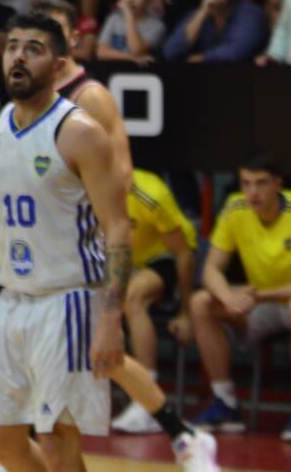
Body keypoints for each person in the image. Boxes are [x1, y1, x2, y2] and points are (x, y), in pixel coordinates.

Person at [29, 0, 217, 468]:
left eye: (54, 31)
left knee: (101, 353)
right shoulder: (33, 95)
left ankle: (182, 435)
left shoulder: (89, 96)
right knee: (73, 356)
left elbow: (123, 174)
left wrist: (84, 220)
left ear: (72, 39)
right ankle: (22, 450)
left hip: (83, 244)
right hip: (43, 244)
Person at [0, 16, 134, 472]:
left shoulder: (82, 133)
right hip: (11, 302)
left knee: (56, 442)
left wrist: (111, 318)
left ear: (58, 66)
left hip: (69, 301)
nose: (17, 55)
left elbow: (117, 226)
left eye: (32, 48)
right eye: (12, 46)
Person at [190, 155, 291, 440]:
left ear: (278, 184)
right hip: (263, 305)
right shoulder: (234, 207)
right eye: (246, 183)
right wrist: (229, 297)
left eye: (261, 183)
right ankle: (225, 402)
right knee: (201, 302)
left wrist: (258, 295)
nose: (253, 192)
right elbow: (211, 269)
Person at [110, 170, 198, 434]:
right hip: (117, 262)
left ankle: (146, 400)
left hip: (161, 259)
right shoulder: (86, 185)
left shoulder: (150, 193)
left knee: (131, 298)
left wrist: (185, 312)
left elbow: (183, 253)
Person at [96, 0, 166, 63]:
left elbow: (137, 51)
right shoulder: (113, 19)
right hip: (112, 70)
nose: (130, 0)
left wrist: (129, 16)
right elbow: (101, 52)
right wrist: (130, 58)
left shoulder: (157, 26)